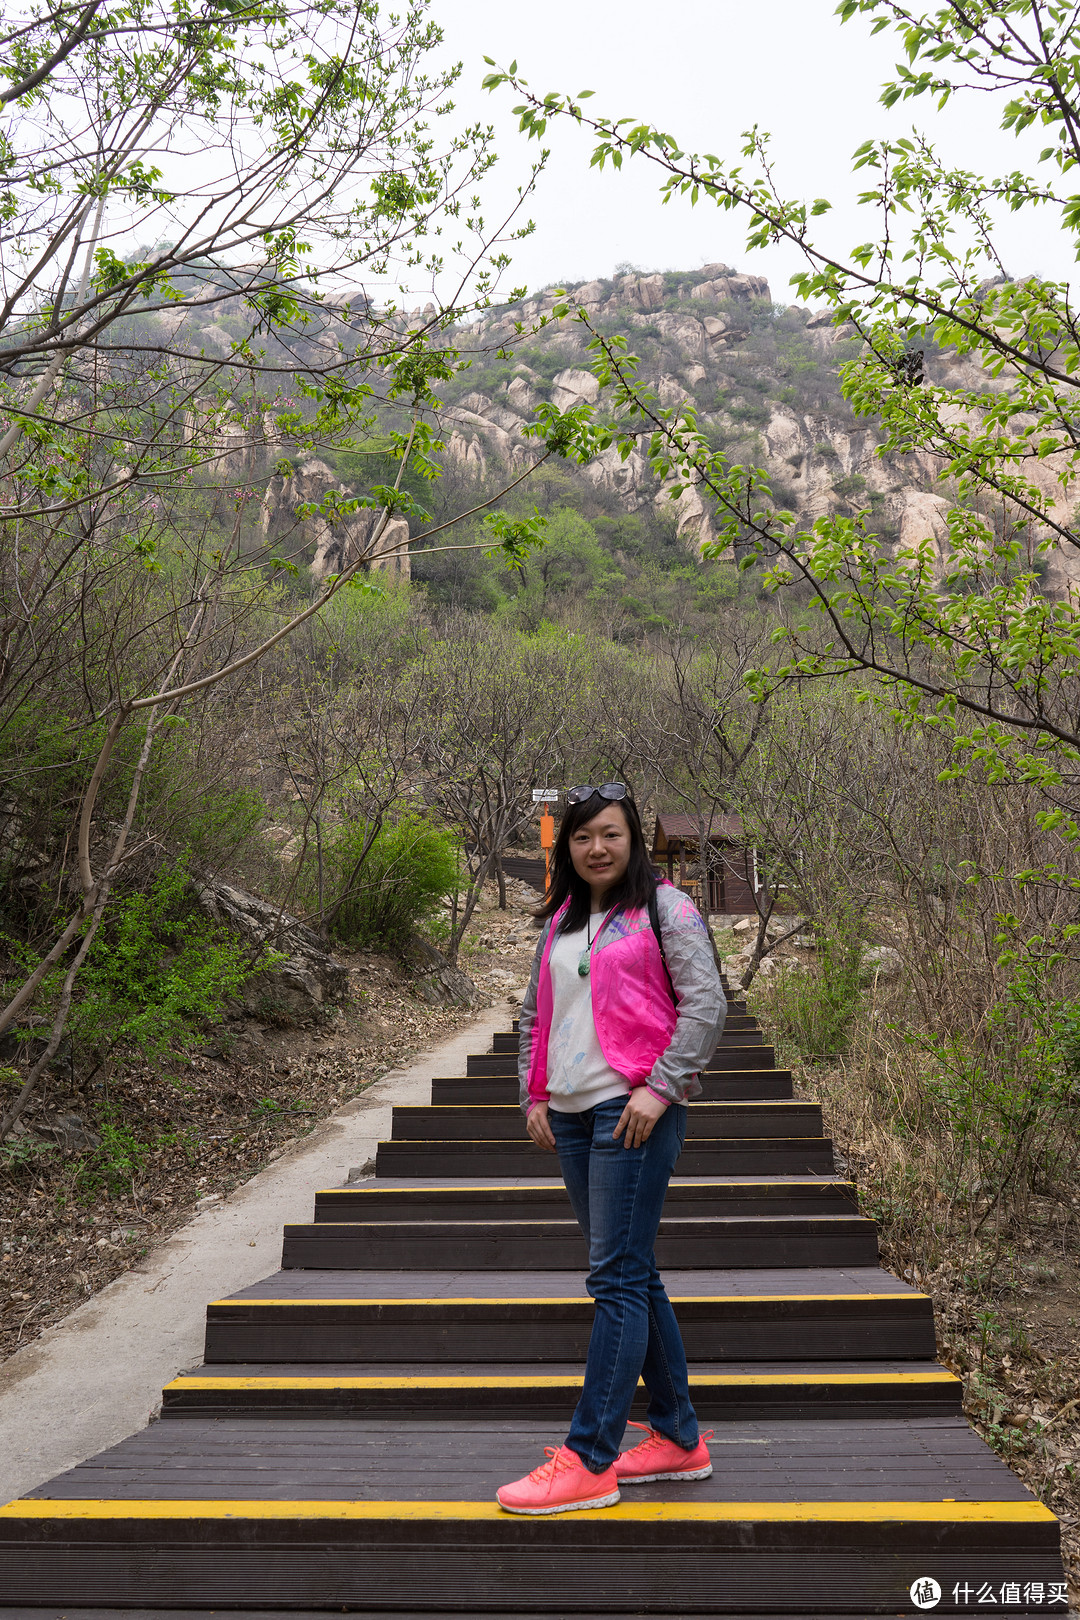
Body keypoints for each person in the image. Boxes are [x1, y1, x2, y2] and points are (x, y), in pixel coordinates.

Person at [495, 783, 727, 1516]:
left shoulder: (667, 908)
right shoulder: (561, 916)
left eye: (611, 834)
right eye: (583, 837)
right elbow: (537, 1010)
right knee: (632, 1274)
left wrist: (661, 1087)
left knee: (616, 1280)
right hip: (567, 1115)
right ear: (567, 847)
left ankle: (591, 1456)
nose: (597, 847)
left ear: (633, 842)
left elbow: (706, 1001)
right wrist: (533, 1091)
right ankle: (678, 1436)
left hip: (630, 1113)